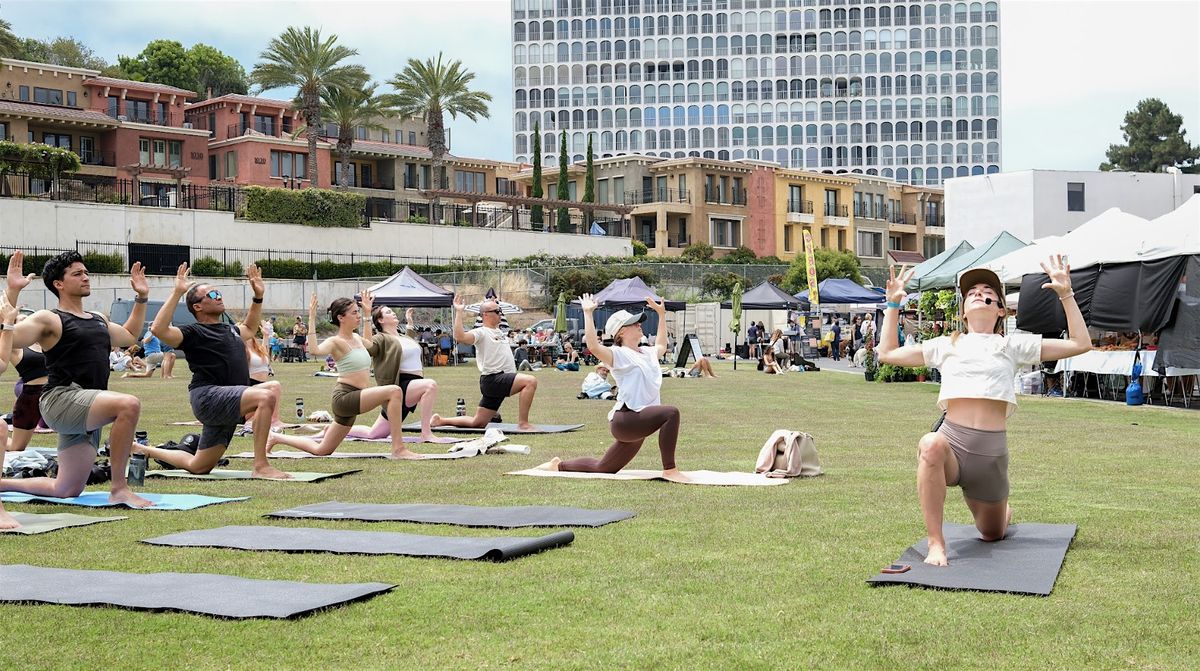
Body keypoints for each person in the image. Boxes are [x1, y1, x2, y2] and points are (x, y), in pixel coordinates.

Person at [877, 258, 1091, 567]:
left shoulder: (1012, 345)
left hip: (990, 457)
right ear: (963, 311)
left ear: (1000, 309)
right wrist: (893, 305)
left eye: (987, 290)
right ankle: (936, 543)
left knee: (992, 534)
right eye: (971, 291)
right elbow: (886, 354)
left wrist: (1066, 294)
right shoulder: (945, 344)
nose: (978, 293)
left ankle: (1002, 512)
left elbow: (1080, 344)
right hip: (952, 442)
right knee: (929, 444)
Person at [1, 250, 153, 511]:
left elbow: (129, 335)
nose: (86, 277)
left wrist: (142, 297)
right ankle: (119, 489)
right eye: (77, 274)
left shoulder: (98, 319)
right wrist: (12, 291)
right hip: (61, 399)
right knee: (128, 404)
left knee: (67, 489)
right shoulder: (49, 318)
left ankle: (2, 484)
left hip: (90, 403)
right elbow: (10, 337)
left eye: (85, 272)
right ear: (59, 284)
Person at [136, 263, 289, 478]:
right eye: (213, 294)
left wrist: (258, 296)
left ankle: (142, 450)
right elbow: (159, 329)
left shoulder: (230, 329)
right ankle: (261, 466)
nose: (219, 297)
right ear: (198, 306)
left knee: (200, 466)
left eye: (219, 293)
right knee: (266, 395)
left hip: (228, 401)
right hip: (208, 397)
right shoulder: (193, 332)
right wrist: (177, 292)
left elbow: (250, 328)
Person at [540, 294, 687, 482]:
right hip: (627, 419)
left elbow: (661, 344)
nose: (639, 324)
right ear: (621, 332)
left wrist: (661, 315)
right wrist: (588, 313)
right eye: (633, 323)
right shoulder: (618, 354)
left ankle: (558, 465)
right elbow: (593, 346)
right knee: (671, 413)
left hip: (638, 420)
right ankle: (670, 470)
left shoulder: (647, 352)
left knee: (603, 468)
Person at [266, 291, 422, 459]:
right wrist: (311, 318)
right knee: (394, 391)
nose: (358, 316)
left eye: (358, 312)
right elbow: (314, 350)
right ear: (341, 317)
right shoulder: (335, 341)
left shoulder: (356, 337)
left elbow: (370, 345)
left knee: (323, 450)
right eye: (354, 312)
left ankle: (276, 437)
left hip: (353, 400)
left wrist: (368, 314)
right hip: (345, 397)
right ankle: (398, 449)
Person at [305, 302, 441, 444]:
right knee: (430, 385)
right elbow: (369, 346)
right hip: (401, 384)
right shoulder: (381, 338)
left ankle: (330, 430)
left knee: (374, 433)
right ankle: (426, 433)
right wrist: (367, 317)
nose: (393, 313)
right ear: (381, 320)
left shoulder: (404, 337)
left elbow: (407, 345)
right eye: (388, 312)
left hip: (412, 385)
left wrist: (409, 323)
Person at [432, 297, 538, 431]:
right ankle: (523, 424)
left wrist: (493, 301)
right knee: (530, 381)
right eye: (497, 311)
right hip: (494, 379)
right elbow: (460, 337)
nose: (501, 314)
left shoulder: (498, 331)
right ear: (485, 315)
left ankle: (440, 420)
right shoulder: (481, 332)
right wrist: (459, 312)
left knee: (478, 422)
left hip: (496, 381)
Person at [0, 313, 48, 453]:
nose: (26, 324)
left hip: (55, 393)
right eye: (21, 321)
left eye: (28, 320)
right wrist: (8, 315)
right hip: (31, 397)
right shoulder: (14, 345)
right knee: (17, 447)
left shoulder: (47, 341)